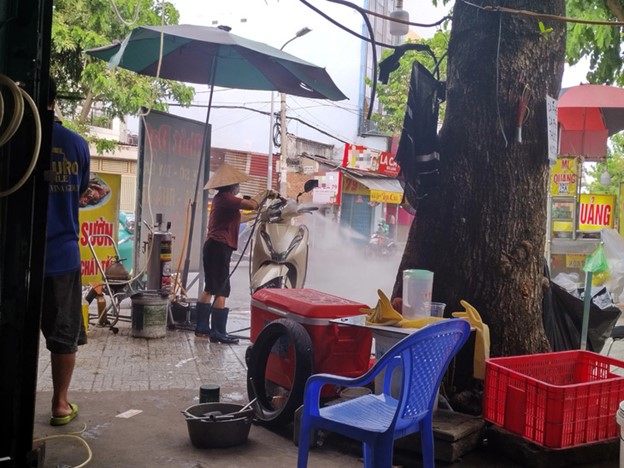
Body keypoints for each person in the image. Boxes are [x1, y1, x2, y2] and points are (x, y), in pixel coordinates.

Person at [42, 77, 90, 426]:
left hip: (14, 260)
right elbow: (83, 188)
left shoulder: (11, 138)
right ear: (55, 100)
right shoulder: (76, 145)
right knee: (64, 334)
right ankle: (60, 404)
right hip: (62, 256)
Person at [196, 163, 277, 343]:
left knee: (210, 287)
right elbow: (252, 205)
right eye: (237, 185)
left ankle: (201, 328)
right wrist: (266, 193)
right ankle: (218, 332)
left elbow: (244, 216)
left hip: (213, 246)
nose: (238, 188)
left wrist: (262, 214)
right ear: (231, 186)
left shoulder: (221, 200)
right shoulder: (226, 198)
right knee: (222, 289)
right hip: (218, 247)